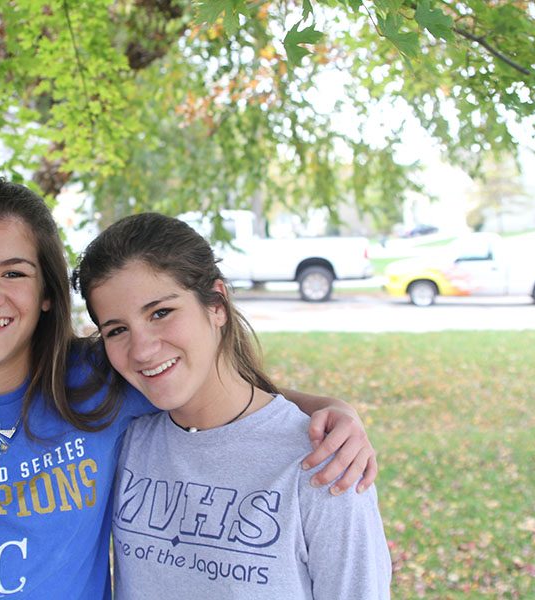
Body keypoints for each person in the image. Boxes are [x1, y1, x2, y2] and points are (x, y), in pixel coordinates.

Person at [0, 174, 377, 598]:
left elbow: (211, 384)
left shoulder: (97, 384)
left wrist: (331, 409)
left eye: (14, 272)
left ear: (47, 294)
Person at [72, 213, 391, 598]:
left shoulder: (327, 461)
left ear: (217, 304)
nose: (141, 349)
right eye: (117, 330)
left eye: (161, 312)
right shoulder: (127, 438)